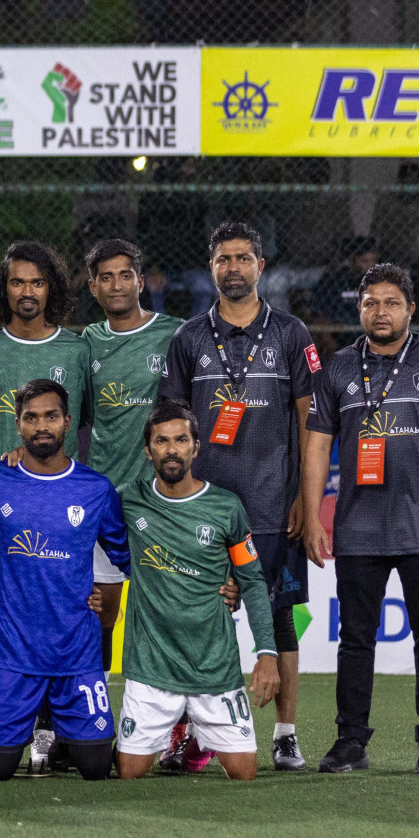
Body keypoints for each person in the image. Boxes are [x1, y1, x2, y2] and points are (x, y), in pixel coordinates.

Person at [301, 263, 419, 774]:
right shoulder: (336, 368)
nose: (380, 312)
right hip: (357, 528)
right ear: (359, 309)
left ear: (411, 310)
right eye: (370, 303)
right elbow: (316, 448)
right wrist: (313, 515)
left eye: (391, 302)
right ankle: (351, 741)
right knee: (355, 640)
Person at [159, 221, 318, 772]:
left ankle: (286, 735)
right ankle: (193, 735)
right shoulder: (188, 339)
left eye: (243, 258)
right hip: (202, 511)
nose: (233, 268)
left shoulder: (292, 334)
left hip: (275, 507)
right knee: (197, 620)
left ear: (261, 266)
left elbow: (310, 422)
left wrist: (306, 495)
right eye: (223, 259)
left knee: (280, 621)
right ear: (211, 268)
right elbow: (170, 425)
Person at [0, 379, 128, 782]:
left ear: (68, 422)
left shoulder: (95, 489)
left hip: (76, 652)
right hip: (11, 653)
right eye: (30, 418)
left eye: (51, 416)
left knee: (96, 766)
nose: (41, 426)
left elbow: (130, 557)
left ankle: (67, 736)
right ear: (17, 425)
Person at [0, 241, 91, 771]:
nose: (27, 292)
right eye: (17, 282)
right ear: (3, 288)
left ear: (52, 289)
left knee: (65, 617)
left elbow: (80, 424)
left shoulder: (77, 349)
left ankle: (53, 729)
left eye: (37, 282)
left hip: (59, 512)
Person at [116, 399, 280, 781]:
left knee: (244, 774)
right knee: (129, 774)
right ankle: (182, 734)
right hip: (151, 669)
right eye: (161, 441)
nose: (171, 449)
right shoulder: (128, 500)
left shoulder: (226, 507)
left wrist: (267, 654)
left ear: (195, 447)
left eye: (180, 440)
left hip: (214, 668)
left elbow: (253, 581)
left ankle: (194, 738)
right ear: (147, 449)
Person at [78, 239, 186, 746]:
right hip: (103, 503)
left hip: (160, 502)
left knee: (169, 610)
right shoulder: (85, 345)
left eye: (126, 275)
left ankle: (180, 729)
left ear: (141, 281)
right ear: (93, 284)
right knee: (102, 612)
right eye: (106, 276)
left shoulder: (175, 336)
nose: (117, 284)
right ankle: (93, 722)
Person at [311, 236, 379, 326]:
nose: (370, 266)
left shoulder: (379, 281)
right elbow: (319, 315)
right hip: (339, 331)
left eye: (373, 260)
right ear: (352, 261)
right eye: (364, 261)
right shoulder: (334, 281)